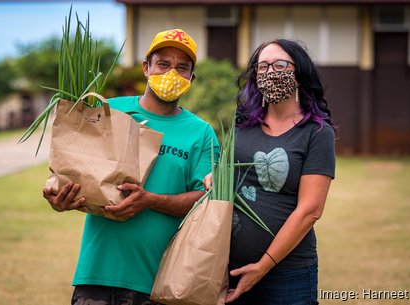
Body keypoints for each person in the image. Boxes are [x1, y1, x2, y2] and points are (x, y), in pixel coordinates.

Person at [43, 29, 219, 305]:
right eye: (163, 63)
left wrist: (149, 200)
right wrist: (60, 196)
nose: (171, 73)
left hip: (161, 283)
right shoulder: (108, 112)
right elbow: (75, 170)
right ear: (146, 68)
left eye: (182, 68)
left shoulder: (201, 133)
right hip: (98, 274)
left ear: (191, 78)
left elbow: (207, 201)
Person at [205, 39, 336, 304]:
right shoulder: (243, 125)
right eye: (262, 67)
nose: (270, 73)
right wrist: (215, 179)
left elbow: (310, 211)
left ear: (298, 73)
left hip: (288, 275)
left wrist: (263, 266)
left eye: (279, 65)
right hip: (227, 267)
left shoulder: (317, 133)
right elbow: (229, 179)